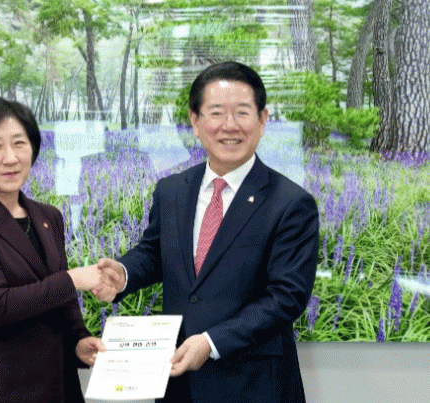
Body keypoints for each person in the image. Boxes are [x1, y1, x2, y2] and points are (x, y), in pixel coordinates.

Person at [97, 61, 319, 402]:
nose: (229, 125)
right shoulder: (172, 190)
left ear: (262, 120)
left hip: (255, 385)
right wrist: (123, 274)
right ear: (195, 121)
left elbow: (286, 296)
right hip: (179, 381)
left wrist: (212, 342)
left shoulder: (291, 203)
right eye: (216, 113)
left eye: (242, 112)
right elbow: (154, 252)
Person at [0, 97, 114, 403]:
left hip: (59, 388)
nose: (10, 158)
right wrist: (73, 279)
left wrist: (79, 339)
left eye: (19, 143)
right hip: (2, 389)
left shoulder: (48, 216)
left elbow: (63, 303)